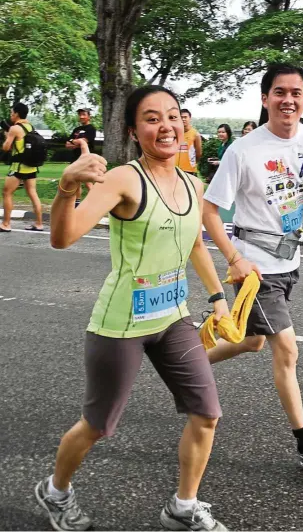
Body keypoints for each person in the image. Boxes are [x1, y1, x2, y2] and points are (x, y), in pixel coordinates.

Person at [35, 85, 228, 532]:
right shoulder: (124, 179)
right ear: (133, 131)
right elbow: (63, 237)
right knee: (98, 425)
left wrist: (217, 298)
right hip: (121, 324)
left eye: (173, 116)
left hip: (175, 318)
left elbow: (194, 243)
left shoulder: (190, 182)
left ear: (184, 123)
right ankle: (55, 490)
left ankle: (183, 505)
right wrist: (66, 186)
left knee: (207, 413)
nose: (166, 126)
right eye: (152, 118)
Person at [203, 63, 303, 469]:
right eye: (279, 92)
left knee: (253, 340)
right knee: (285, 350)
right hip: (256, 268)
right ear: (265, 98)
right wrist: (234, 259)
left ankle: (185, 361)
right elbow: (209, 211)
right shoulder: (243, 150)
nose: (288, 100)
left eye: (296, 93)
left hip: (290, 259)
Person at [0, 102, 43, 232]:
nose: (11, 115)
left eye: (12, 112)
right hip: (31, 166)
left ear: (17, 114)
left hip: (18, 166)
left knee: (7, 193)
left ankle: (6, 224)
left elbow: (6, 147)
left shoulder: (14, 129)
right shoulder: (30, 127)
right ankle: (39, 224)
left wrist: (7, 136)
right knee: (33, 193)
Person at [66, 108, 97, 207]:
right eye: (80, 114)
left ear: (89, 116)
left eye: (84, 114)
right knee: (76, 182)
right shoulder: (76, 130)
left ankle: (96, 202)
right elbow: (67, 144)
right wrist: (76, 143)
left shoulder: (91, 129)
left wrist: (74, 142)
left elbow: (84, 141)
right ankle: (77, 203)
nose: (81, 116)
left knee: (87, 182)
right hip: (75, 159)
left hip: (85, 159)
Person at [175, 108, 203, 174]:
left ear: (190, 118)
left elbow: (198, 154)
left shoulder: (196, 134)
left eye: (185, 117)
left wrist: (192, 163)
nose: (183, 119)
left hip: (189, 169)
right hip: (175, 168)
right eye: (181, 117)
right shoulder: (174, 133)